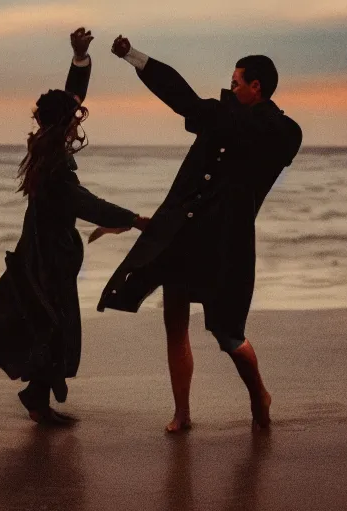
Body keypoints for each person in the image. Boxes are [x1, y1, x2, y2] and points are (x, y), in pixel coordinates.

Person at [93, 35, 302, 432]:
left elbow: (233, 122)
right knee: (174, 322)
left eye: (237, 82)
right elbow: (183, 100)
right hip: (185, 234)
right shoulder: (222, 118)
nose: (231, 87)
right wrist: (135, 58)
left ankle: (258, 392)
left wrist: (216, 112)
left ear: (256, 87)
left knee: (227, 334)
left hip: (225, 244)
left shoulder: (284, 131)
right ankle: (182, 413)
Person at [0, 28, 149, 425]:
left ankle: (42, 393)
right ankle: (37, 399)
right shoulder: (54, 166)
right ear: (65, 123)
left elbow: (71, 99)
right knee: (53, 325)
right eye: (73, 119)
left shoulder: (44, 144)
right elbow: (87, 205)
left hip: (41, 251)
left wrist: (80, 56)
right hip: (49, 257)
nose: (77, 122)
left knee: (48, 322)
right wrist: (134, 219)